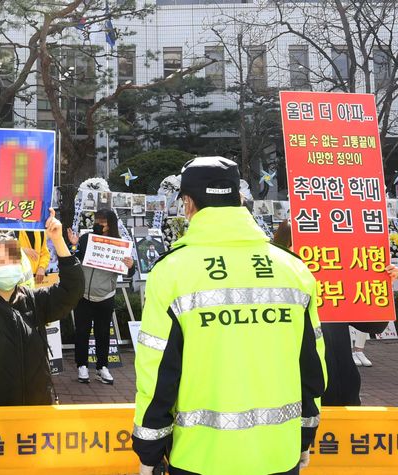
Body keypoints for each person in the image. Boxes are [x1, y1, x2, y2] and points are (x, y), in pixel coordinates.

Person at [132, 157, 326, 475]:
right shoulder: (292, 268)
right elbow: (312, 366)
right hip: (278, 452)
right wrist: (305, 438)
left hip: (199, 456)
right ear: (238, 199)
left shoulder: (173, 271)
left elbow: (157, 372)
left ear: (188, 203)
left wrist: (149, 452)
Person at [0, 207, 84, 406]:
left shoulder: (35, 301)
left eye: (13, 259)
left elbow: (71, 290)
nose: (8, 265)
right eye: (0, 260)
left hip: (37, 409)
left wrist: (58, 240)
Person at [273, 219, 397, 405]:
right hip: (303, 397)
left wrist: (380, 283)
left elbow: (374, 325)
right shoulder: (274, 288)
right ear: (285, 249)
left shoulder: (334, 284)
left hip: (345, 392)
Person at [68, 208, 135, 385]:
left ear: (111, 224)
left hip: (106, 295)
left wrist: (130, 265)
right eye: (97, 220)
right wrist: (74, 245)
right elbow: (73, 260)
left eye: (103, 222)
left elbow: (128, 271)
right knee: (82, 331)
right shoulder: (86, 238)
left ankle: (102, 367)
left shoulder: (119, 244)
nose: (98, 224)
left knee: (102, 333)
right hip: (83, 294)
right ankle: (82, 365)